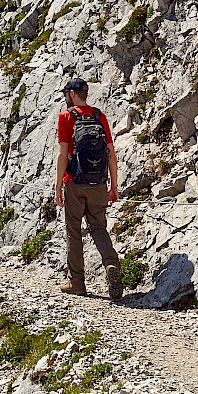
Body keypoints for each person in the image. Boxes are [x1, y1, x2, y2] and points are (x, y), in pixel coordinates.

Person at [53, 77, 122, 299]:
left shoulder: (66, 117)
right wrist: (113, 185)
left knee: (73, 231)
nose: (66, 97)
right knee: (99, 228)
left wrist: (57, 185)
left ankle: (77, 283)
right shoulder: (98, 116)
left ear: (73, 94)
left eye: (66, 93)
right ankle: (111, 265)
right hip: (98, 183)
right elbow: (111, 153)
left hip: (74, 183)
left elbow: (63, 154)